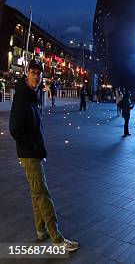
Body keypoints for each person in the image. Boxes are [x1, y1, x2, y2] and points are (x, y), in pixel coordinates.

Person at [9, 59, 79, 252]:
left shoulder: (31, 95)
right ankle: (57, 239)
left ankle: (41, 230)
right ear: (27, 73)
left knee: (36, 193)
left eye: (39, 74)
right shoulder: (23, 98)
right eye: (33, 72)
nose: (36, 77)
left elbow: (35, 127)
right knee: (43, 194)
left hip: (34, 152)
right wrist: (33, 147)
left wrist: (39, 149)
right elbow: (15, 128)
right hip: (30, 154)